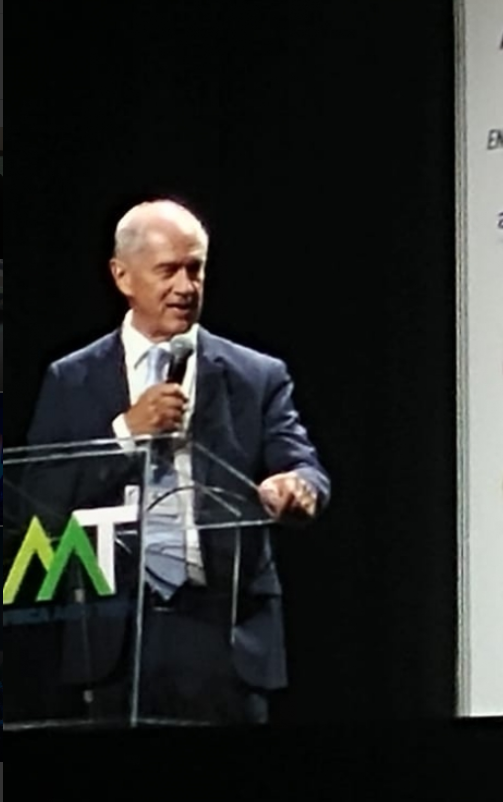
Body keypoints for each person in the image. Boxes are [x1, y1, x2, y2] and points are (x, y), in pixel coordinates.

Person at [22, 199, 330, 724]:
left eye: (196, 269)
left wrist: (296, 488)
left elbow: (304, 467)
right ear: (122, 276)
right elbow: (36, 498)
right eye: (168, 271)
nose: (186, 287)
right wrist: (124, 434)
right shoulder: (71, 379)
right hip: (116, 634)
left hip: (224, 632)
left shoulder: (256, 376)